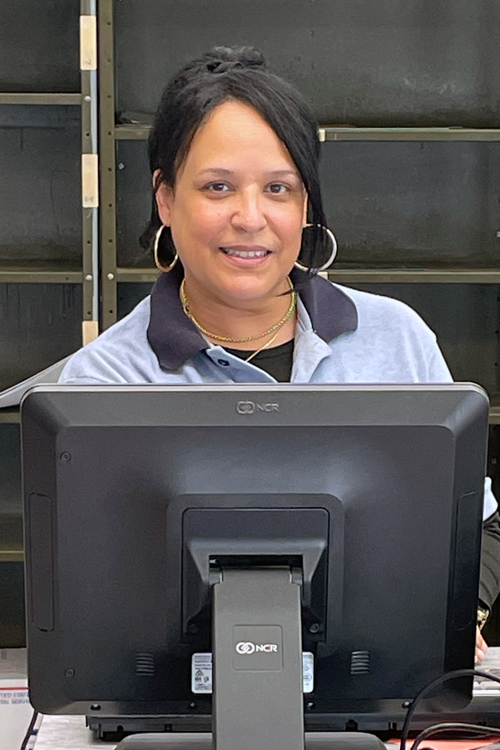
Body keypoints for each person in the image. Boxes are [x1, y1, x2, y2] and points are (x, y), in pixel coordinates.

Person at [59, 46, 500, 660]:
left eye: (279, 188)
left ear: (305, 204)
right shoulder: (102, 382)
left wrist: (460, 618)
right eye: (217, 187)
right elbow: (84, 591)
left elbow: (477, 525)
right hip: (175, 705)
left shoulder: (396, 338)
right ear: (165, 198)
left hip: (378, 693)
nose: (250, 217)